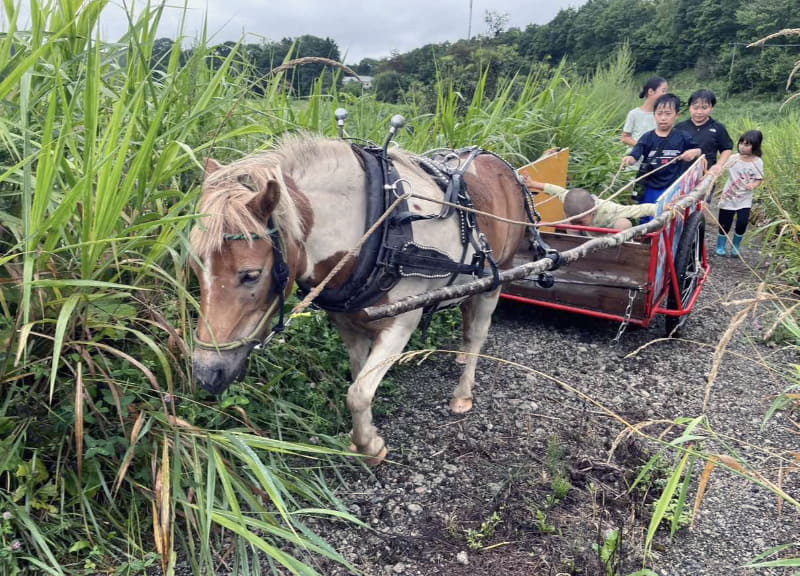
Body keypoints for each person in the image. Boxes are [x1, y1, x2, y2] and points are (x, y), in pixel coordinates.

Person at [623, 93, 702, 219]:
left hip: (672, 187)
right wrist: (629, 159)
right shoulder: (647, 137)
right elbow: (636, 153)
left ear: (677, 115)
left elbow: (698, 149)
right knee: (647, 217)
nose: (663, 118)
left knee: (667, 218)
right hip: (649, 185)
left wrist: (694, 152)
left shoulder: (683, 137)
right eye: (659, 114)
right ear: (654, 115)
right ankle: (645, 238)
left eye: (668, 114)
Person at [523, 179, 657, 232]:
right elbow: (554, 189)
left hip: (605, 236)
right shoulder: (569, 198)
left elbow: (641, 209)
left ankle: (611, 250)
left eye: (581, 221)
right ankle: (573, 247)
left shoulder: (608, 209)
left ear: (593, 212)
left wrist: (663, 208)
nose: (579, 224)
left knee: (624, 224)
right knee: (568, 223)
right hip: (585, 236)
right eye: (576, 221)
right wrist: (533, 184)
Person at [715, 130, 764, 257]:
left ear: (755, 146)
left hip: (745, 198)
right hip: (729, 196)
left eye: (747, 144)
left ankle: (736, 246)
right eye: (741, 143)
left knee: (742, 222)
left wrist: (753, 185)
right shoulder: (733, 158)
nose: (743, 146)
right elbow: (721, 168)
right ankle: (720, 245)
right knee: (725, 222)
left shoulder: (757, 162)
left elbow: (759, 179)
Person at [675, 89, 733, 181]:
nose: (699, 112)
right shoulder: (679, 128)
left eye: (704, 108)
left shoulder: (718, 128)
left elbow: (726, 149)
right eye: (696, 107)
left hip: (707, 175)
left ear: (712, 108)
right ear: (689, 107)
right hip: (681, 177)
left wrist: (719, 165)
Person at [621, 76, 669, 164]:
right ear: (651, 91)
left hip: (655, 162)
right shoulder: (634, 114)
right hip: (634, 161)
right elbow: (625, 138)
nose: (666, 94)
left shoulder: (663, 116)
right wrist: (642, 146)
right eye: (663, 90)